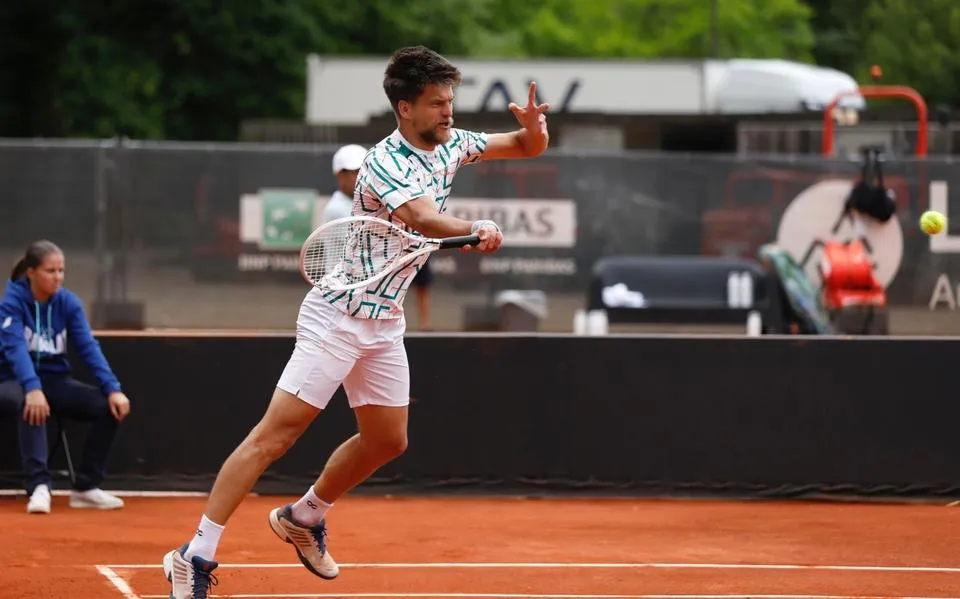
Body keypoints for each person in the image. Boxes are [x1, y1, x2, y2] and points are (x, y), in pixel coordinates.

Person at [163, 44, 550, 598]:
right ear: (404, 109)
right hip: (337, 317)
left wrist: (535, 128)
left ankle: (304, 516)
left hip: (385, 321)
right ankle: (194, 554)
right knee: (274, 438)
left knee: (388, 440)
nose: (449, 113)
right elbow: (422, 215)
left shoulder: (454, 143)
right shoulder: (383, 162)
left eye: (451, 102)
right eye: (438, 103)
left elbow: (524, 147)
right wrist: (475, 224)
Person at [0, 240, 132, 514]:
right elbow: (14, 349)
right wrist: (32, 387)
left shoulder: (68, 303)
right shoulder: (11, 303)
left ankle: (85, 488)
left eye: (62, 271)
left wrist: (112, 388)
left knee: (106, 408)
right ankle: (39, 486)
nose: (58, 277)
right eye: (51, 271)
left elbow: (88, 346)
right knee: (31, 402)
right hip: (11, 379)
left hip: (55, 378)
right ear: (32, 272)